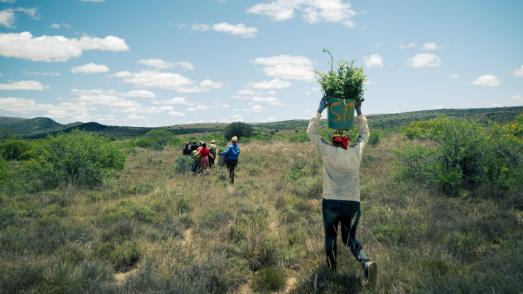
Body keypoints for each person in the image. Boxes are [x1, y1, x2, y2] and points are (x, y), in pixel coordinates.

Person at [307, 96, 378, 288]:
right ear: (346, 142)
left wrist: (319, 109)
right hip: (352, 203)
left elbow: (311, 132)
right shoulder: (355, 152)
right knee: (349, 239)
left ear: (333, 141)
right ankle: (366, 263)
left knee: (331, 237)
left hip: (331, 202)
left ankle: (332, 272)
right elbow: (365, 135)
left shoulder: (327, 151)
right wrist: (359, 111)